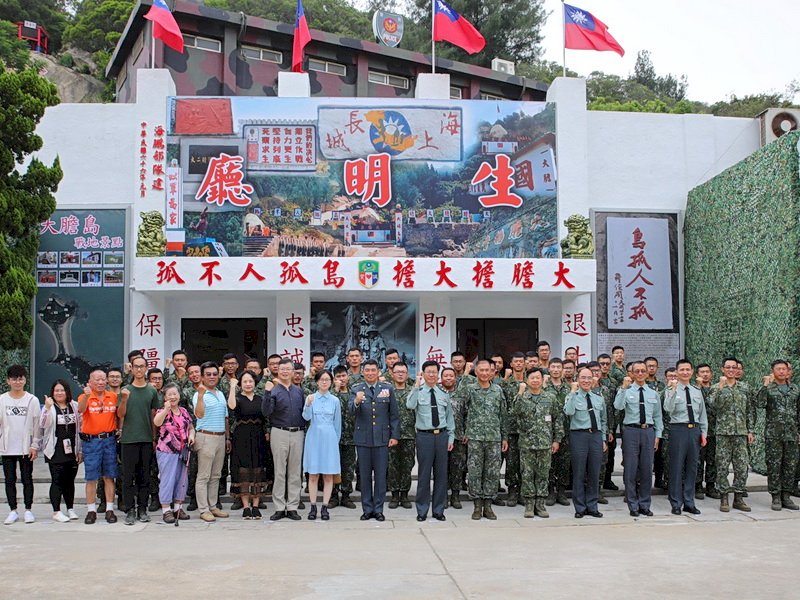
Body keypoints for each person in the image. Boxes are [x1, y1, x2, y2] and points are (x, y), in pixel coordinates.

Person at [349, 359, 400, 521]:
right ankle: (367, 509)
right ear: (363, 372)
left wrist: (394, 436)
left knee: (380, 476)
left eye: (373, 370)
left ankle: (378, 509)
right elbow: (350, 411)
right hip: (363, 439)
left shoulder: (387, 389)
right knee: (364, 477)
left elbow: (394, 415)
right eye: (367, 370)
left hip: (382, 439)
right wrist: (356, 401)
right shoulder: (356, 389)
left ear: (378, 371)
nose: (370, 373)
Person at [512, 369, 563, 518]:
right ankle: (529, 505)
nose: (535, 380)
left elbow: (558, 419)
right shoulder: (523, 397)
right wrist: (520, 393)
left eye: (538, 378)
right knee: (527, 474)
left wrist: (556, 440)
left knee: (543, 474)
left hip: (545, 444)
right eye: (532, 378)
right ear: (527, 380)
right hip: (527, 444)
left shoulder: (550, 397)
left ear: (542, 380)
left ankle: (540, 504)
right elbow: (514, 411)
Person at [407, 361, 455, 521]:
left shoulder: (443, 394)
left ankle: (439, 510)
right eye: (429, 372)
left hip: (441, 436)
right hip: (424, 437)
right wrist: (415, 385)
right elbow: (410, 405)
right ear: (423, 373)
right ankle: (422, 510)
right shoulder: (418, 391)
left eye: (435, 372)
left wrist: (451, 436)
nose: (432, 375)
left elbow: (449, 417)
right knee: (424, 475)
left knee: (441, 475)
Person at [614, 361, 663, 517]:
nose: (640, 373)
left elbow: (657, 416)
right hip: (631, 431)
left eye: (643, 371)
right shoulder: (626, 391)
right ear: (632, 374)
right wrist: (623, 388)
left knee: (647, 469)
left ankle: (644, 504)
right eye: (637, 371)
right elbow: (618, 406)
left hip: (648, 431)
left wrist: (658, 435)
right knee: (631, 469)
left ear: (647, 373)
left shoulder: (653, 393)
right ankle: (632, 504)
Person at [463, 358, 508, 520]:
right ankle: (477, 506)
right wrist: (464, 432)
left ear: (493, 372)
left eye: (487, 370)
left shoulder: (497, 390)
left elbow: (503, 415)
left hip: (494, 438)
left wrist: (504, 437)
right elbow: (461, 411)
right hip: (474, 438)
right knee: (474, 472)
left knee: (492, 472)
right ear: (476, 371)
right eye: (481, 370)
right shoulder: (469, 389)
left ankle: (488, 506)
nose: (484, 373)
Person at [118, 355, 161, 526]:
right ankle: (130, 510)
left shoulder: (151, 391)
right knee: (128, 477)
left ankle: (142, 508)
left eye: (142, 366)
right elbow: (120, 414)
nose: (139, 369)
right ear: (131, 368)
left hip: (146, 440)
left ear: (146, 368)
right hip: (128, 440)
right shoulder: (125, 390)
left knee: (145, 476)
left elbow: (153, 416)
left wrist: (154, 437)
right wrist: (125, 400)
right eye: (136, 366)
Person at [709, 357, 755, 512]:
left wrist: (750, 430)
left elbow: (750, 410)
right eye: (727, 367)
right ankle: (723, 496)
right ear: (722, 369)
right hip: (723, 433)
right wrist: (721, 388)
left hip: (741, 433)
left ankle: (738, 497)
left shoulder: (745, 388)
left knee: (742, 466)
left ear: (738, 370)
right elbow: (713, 407)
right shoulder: (716, 388)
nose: (730, 370)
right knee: (721, 466)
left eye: (733, 367)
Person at [262, 358, 306, 521]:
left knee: (295, 472)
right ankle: (280, 507)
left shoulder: (299, 391)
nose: (285, 372)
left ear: (293, 371)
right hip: (279, 432)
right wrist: (267, 393)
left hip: (297, 433)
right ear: (278, 371)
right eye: (282, 369)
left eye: (288, 369)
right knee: (279, 471)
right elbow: (266, 412)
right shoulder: (273, 390)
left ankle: (293, 506)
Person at [664, 360, 708, 515]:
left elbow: (702, 414)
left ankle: (689, 501)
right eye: (681, 369)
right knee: (676, 467)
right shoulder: (671, 389)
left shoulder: (696, 391)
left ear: (692, 372)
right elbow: (668, 409)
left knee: (692, 467)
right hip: (678, 430)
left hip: (694, 430)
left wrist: (704, 433)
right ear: (676, 372)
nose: (685, 372)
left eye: (687, 369)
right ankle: (676, 502)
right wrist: (673, 391)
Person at [755, 360, 799, 511]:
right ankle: (775, 496)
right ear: (773, 371)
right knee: (774, 465)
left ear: (788, 371)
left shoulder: (795, 389)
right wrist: (765, 385)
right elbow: (760, 404)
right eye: (778, 369)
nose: (781, 371)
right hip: (774, 435)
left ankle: (786, 496)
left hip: (792, 434)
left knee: (790, 466)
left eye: (784, 369)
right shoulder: (769, 388)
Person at [78, 368, 120, 524]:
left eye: (103, 379)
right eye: (97, 379)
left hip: (109, 440)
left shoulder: (113, 397)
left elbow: (120, 415)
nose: (101, 382)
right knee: (91, 477)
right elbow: (81, 409)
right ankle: (91, 510)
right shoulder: (85, 396)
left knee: (109, 476)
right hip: (91, 442)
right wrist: (87, 396)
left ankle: (110, 509)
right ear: (90, 382)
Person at [564, 367, 608, 518]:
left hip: (595, 436)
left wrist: (602, 438)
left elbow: (603, 420)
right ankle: (580, 507)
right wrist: (572, 392)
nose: (586, 381)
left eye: (589, 378)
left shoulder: (598, 397)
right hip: (579, 436)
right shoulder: (573, 396)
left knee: (594, 473)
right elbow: (568, 412)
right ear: (578, 379)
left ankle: (592, 506)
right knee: (579, 473)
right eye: (583, 378)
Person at [1, 365, 42, 525]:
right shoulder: (2, 399)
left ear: (25, 380)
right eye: (14, 379)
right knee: (10, 479)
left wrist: (35, 445)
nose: (17, 382)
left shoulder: (32, 400)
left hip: (26, 447)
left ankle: (28, 510)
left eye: (20, 379)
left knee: (27, 479)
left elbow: (37, 425)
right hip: (7, 447)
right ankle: (12, 510)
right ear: (8, 381)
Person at [192, 361, 230, 523]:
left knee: (216, 475)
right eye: (208, 374)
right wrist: (200, 395)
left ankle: (213, 506)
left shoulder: (220, 393)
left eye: (215, 374)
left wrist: (227, 438)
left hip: (221, 437)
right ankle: (203, 509)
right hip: (205, 437)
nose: (212, 377)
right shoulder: (198, 394)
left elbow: (225, 417)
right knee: (204, 476)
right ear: (202, 377)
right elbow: (199, 415)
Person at [227, 370, 268, 519]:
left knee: (257, 470)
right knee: (243, 471)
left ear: (255, 382)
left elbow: (266, 416)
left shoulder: (260, 399)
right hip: (241, 437)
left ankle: (255, 506)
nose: (248, 384)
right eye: (245, 381)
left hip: (258, 437)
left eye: (250, 381)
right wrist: (232, 387)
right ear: (240, 384)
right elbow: (231, 406)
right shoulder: (237, 398)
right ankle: (245, 507)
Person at [302, 370, 342, 520]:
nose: (324, 382)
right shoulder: (311, 397)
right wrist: (307, 404)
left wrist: (335, 442)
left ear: (331, 382)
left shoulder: (335, 401)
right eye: (322, 379)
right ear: (317, 382)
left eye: (327, 380)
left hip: (330, 439)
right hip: (314, 438)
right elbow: (306, 417)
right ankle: (313, 506)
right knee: (313, 475)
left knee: (328, 475)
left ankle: (325, 507)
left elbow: (337, 424)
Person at [40, 380, 82, 522]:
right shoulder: (50, 407)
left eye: (62, 390)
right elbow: (43, 424)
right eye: (56, 390)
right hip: (55, 450)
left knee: (70, 481)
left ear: (67, 392)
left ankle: (70, 508)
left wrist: (80, 450)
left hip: (72, 449)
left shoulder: (74, 406)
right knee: (57, 480)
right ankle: (56, 511)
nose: (59, 393)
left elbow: (80, 427)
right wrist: (46, 408)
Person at [153, 383, 195, 523]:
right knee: (167, 479)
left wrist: (191, 435)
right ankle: (166, 510)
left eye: (175, 394)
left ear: (179, 395)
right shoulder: (162, 411)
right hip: (167, 451)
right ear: (164, 397)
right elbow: (157, 423)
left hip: (183, 450)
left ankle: (178, 507)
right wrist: (166, 410)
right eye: (169, 394)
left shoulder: (183, 411)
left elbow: (190, 427)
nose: (172, 397)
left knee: (182, 479)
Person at [500, 352, 527, 507]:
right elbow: (503, 410)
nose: (518, 364)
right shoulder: (505, 385)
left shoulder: (531, 382)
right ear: (511, 364)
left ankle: (523, 492)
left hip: (527, 430)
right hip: (511, 430)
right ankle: (512, 491)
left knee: (525, 463)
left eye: (521, 361)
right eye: (515, 361)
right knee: (511, 462)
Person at [328, 365, 357, 509]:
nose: (341, 379)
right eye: (338, 377)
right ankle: (333, 495)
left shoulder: (354, 393)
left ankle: (346, 495)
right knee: (333, 467)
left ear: (348, 376)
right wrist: (336, 390)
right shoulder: (330, 394)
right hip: (333, 438)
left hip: (350, 437)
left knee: (348, 468)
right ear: (334, 379)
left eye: (343, 376)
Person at [388, 362, 414, 510]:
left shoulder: (412, 391)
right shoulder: (386, 390)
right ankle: (394, 494)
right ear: (392, 373)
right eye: (397, 371)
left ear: (407, 374)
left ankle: (404, 494)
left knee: (407, 465)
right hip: (391, 435)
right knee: (392, 466)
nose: (400, 374)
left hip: (409, 434)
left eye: (403, 372)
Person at [695, 363, 719, 499]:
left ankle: (711, 485)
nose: (705, 374)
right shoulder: (693, 389)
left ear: (711, 374)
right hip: (699, 430)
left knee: (712, 460)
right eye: (702, 372)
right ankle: (697, 485)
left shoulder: (717, 389)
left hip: (715, 430)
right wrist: (698, 387)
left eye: (707, 372)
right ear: (697, 375)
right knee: (698, 459)